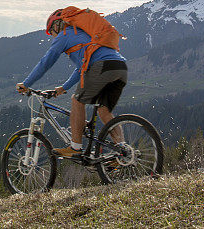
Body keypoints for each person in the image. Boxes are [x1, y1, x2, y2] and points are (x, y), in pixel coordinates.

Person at [16, 8, 127, 158]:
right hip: (119, 67)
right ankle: (123, 152)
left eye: (51, 32)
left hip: (101, 67)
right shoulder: (85, 35)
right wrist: (64, 87)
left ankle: (75, 147)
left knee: (77, 100)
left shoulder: (64, 35)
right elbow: (82, 68)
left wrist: (26, 83)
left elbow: (45, 63)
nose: (53, 36)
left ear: (56, 25)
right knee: (104, 111)